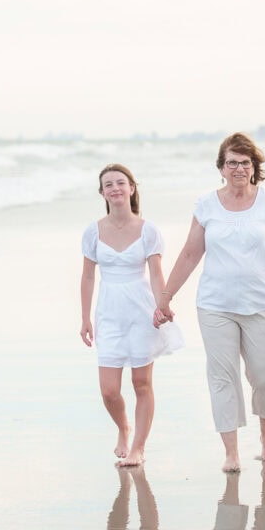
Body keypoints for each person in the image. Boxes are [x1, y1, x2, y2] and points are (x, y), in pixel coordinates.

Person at [156, 133, 265, 472]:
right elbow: (190, 253)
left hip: (262, 303)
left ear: (254, 167)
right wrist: (166, 296)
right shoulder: (205, 205)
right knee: (222, 376)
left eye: (245, 163)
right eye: (231, 162)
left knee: (264, 375)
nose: (238, 168)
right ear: (221, 167)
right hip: (215, 304)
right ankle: (230, 452)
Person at [80, 164, 184, 467]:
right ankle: (124, 427)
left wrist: (161, 304)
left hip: (141, 310)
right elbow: (87, 277)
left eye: (120, 183)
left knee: (141, 383)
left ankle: (138, 447)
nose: (115, 188)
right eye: (108, 184)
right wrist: (85, 318)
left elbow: (155, 273)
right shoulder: (93, 231)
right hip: (109, 312)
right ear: (102, 193)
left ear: (131, 188)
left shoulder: (148, 230)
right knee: (109, 390)